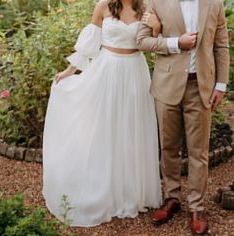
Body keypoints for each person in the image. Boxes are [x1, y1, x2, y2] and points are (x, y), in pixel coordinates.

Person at [43, 0, 162, 227]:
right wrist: (70, 71)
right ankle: (104, 188)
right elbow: (89, 45)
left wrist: (156, 26)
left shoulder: (146, 7)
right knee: (106, 130)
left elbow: (154, 42)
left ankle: (131, 191)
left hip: (135, 73)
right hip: (107, 71)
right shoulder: (103, 6)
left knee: (131, 131)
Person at [137, 0, 230, 234]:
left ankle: (197, 207)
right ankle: (172, 198)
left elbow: (221, 45)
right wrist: (176, 42)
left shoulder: (214, 3)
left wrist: (220, 84)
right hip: (166, 85)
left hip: (201, 87)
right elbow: (142, 40)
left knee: (199, 151)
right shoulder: (156, 2)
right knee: (168, 147)